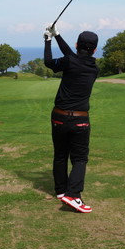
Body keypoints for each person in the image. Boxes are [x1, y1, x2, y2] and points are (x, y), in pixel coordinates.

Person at [43, 25, 99, 213]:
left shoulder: (71, 61)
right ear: (95, 49)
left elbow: (50, 62)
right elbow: (72, 57)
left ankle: (60, 190)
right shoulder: (93, 68)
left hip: (58, 116)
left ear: (77, 45)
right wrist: (57, 36)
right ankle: (73, 195)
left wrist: (48, 39)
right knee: (80, 158)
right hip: (80, 120)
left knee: (60, 154)